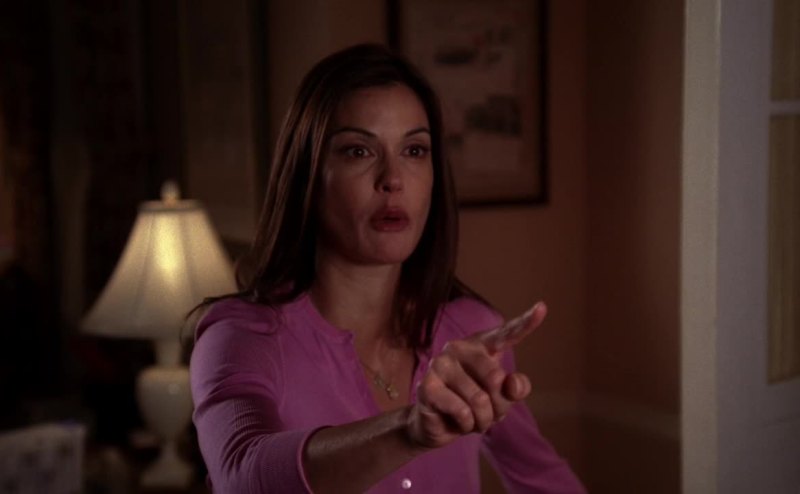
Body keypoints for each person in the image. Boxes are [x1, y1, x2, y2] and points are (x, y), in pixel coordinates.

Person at [190, 43, 585, 493]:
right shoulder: (242, 337)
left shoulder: (471, 331)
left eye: (414, 150)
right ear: (308, 175)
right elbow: (242, 476)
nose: (393, 179)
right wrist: (410, 431)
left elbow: (546, 482)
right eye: (359, 151)